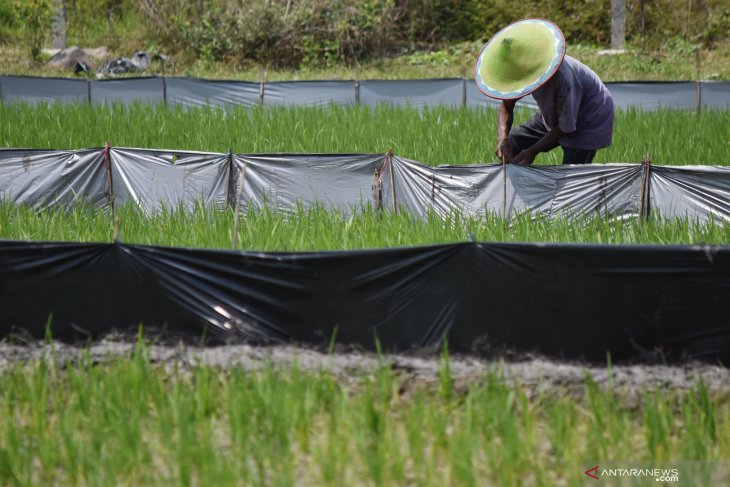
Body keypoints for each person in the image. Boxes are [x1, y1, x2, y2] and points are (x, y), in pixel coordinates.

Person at [474, 19, 614, 165]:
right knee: (514, 140)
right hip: (556, 112)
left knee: (572, 175)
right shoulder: (521, 72)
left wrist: (533, 151)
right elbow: (507, 105)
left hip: (590, 115)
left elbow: (565, 127)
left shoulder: (564, 79)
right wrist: (502, 139)